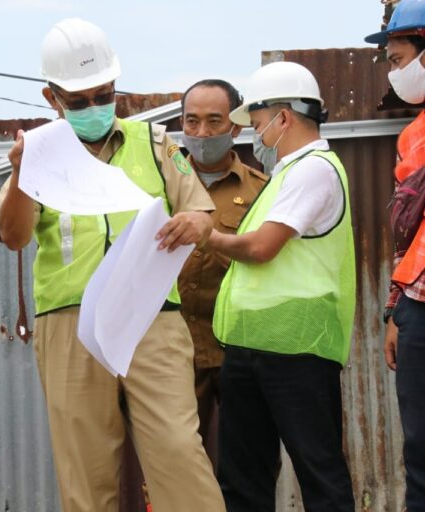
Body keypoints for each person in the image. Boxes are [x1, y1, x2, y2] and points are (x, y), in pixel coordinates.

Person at [0, 18, 224, 512]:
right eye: (78, 101)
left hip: (153, 318)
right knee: (85, 467)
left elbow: (203, 214)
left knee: (179, 454)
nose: (94, 108)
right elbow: (14, 236)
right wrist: (20, 174)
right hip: (69, 323)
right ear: (50, 96)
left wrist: (193, 223)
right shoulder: (35, 154)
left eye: (104, 95)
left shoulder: (156, 144)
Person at [207, 61, 356, 511]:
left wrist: (206, 237)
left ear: (283, 118)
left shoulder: (314, 170)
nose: (256, 138)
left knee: (319, 474)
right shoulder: (287, 176)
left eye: (256, 125)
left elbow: (262, 248)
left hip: (296, 348)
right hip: (252, 345)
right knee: (242, 478)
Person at [177, 78, 268, 465]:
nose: (201, 133)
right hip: (176, 353)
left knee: (248, 463)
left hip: (240, 351)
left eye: (214, 121)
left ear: (235, 126)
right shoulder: (161, 187)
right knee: (175, 462)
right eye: (191, 121)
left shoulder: (262, 190)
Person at [366, 2, 425, 508]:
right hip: (418, 308)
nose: (394, 70)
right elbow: (409, 235)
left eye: (399, 56)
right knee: (421, 445)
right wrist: (394, 310)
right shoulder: (413, 134)